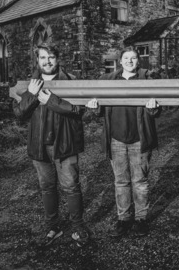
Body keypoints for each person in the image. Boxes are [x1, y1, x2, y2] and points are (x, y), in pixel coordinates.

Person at [13, 43, 89, 247]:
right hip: (39, 145)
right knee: (47, 187)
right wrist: (30, 94)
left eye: (51, 57)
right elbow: (19, 114)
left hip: (65, 143)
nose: (47, 61)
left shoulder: (70, 81)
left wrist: (51, 101)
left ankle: (78, 227)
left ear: (58, 59)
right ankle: (52, 227)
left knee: (71, 186)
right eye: (43, 57)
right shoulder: (29, 84)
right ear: (37, 60)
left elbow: (79, 111)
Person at [86, 46, 161, 238]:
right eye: (126, 58)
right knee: (121, 182)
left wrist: (153, 108)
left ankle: (141, 219)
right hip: (116, 139)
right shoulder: (108, 81)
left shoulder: (147, 80)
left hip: (140, 139)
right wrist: (95, 108)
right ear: (120, 61)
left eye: (133, 58)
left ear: (138, 61)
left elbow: (160, 109)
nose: (130, 61)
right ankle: (124, 219)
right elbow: (101, 109)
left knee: (140, 182)